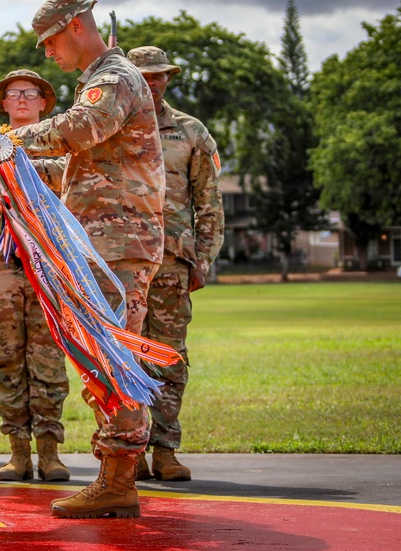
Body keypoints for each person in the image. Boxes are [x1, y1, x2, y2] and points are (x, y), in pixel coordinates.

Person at [10, 0, 165, 519]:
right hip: (106, 243)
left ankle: (118, 480)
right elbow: (80, 167)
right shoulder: (99, 81)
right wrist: (8, 165)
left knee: (113, 361)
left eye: (51, 41)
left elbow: (79, 129)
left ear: (76, 26)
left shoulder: (113, 79)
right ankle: (115, 476)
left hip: (117, 246)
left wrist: (10, 142)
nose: (47, 52)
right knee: (105, 360)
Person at [127, 45, 224, 481]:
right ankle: (128, 451)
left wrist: (203, 258)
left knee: (169, 356)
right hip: (121, 261)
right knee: (122, 356)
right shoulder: (110, 125)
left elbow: (209, 201)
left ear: (168, 78)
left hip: (171, 261)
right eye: (143, 76)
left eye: (158, 75)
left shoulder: (190, 131)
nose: (152, 82)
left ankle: (165, 449)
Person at [0, 69, 71, 482]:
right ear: (2, 104)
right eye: (13, 93)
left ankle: (49, 451)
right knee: (5, 359)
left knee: (48, 358)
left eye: (30, 93)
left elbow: (67, 175)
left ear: (43, 103)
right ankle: (18, 450)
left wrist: (18, 165)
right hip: (2, 266)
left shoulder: (64, 143)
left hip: (49, 263)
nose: (21, 99)